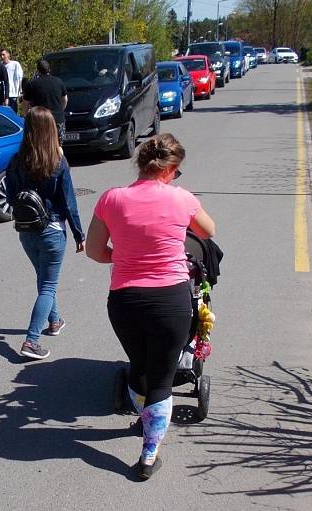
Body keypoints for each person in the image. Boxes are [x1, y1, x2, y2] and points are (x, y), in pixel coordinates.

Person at [85, 133, 216, 479]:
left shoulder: (111, 198)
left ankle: (145, 419)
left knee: (139, 367)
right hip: (170, 300)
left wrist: (126, 254)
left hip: (125, 301)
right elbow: (208, 231)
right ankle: (148, 455)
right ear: (170, 168)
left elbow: (95, 251)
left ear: (141, 164)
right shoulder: (182, 199)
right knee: (162, 376)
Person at [5, 107, 85, 360]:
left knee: (44, 280)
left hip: (26, 231)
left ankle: (55, 321)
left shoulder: (16, 160)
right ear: (51, 131)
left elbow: (9, 197)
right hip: (51, 230)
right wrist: (78, 234)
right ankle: (31, 340)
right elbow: (69, 202)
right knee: (48, 286)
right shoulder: (57, 162)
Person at [23, 59, 67, 145]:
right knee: (58, 145)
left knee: (42, 146)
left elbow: (25, 102)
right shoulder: (59, 81)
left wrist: (26, 115)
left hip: (40, 121)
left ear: (38, 71)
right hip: (58, 119)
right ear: (49, 69)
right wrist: (61, 110)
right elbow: (65, 99)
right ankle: (59, 158)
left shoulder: (32, 84)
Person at [0, 49, 23, 113]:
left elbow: (20, 78)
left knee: (13, 112)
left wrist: (20, 91)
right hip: (3, 94)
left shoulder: (15, 64)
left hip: (13, 93)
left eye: (3, 55)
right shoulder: (0, 66)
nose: (2, 57)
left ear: (8, 55)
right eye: (1, 55)